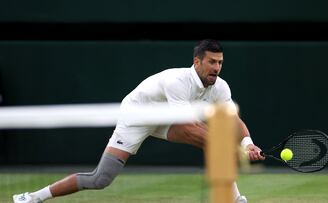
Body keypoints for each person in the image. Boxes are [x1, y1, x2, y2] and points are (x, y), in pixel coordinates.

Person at [13, 39, 265, 203]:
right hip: (137, 114)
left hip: (166, 118)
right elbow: (189, 127)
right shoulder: (178, 81)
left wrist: (247, 144)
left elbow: (233, 120)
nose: (217, 67)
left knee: (213, 142)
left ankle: (235, 199)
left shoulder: (220, 87)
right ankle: (32, 198)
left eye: (220, 62)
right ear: (197, 62)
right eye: (211, 62)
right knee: (101, 179)